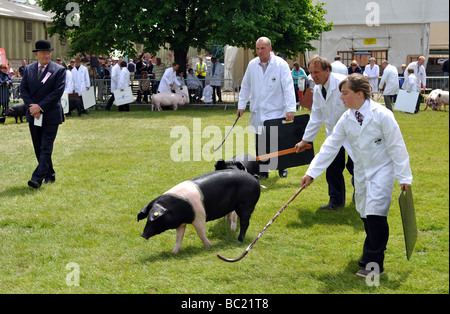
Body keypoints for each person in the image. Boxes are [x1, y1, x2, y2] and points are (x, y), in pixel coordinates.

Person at [300, 74, 412, 277]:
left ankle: (373, 263)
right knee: (365, 214)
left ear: (359, 94)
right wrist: (312, 172)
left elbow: (397, 146)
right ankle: (371, 254)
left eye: (345, 93)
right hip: (361, 171)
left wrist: (404, 177)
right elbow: (330, 145)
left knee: (376, 213)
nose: (340, 97)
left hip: (382, 170)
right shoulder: (347, 117)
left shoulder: (382, 115)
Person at [295, 56, 353, 210]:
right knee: (333, 167)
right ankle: (336, 201)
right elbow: (316, 117)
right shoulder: (318, 90)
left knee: (355, 167)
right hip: (334, 135)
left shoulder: (343, 83)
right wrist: (305, 140)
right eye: (311, 72)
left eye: (317, 72)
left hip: (353, 133)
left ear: (327, 70)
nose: (313, 76)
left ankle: (360, 195)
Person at [237, 36, 296, 178]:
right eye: (257, 48)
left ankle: (282, 167)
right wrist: (241, 105)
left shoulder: (280, 64)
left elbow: (288, 87)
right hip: (259, 111)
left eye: (262, 48)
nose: (259, 51)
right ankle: (263, 170)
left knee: (277, 141)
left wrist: (291, 109)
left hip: (276, 110)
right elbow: (245, 86)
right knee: (261, 142)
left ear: (270, 48)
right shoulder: (252, 65)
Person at [20, 39, 66, 189]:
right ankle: (50, 174)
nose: (47, 55)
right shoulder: (28, 69)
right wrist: (32, 107)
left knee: (46, 146)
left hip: (50, 114)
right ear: (36, 54)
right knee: (38, 147)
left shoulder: (58, 70)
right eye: (44, 53)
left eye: (49, 53)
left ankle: (37, 178)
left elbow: (57, 92)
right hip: (34, 114)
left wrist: (40, 106)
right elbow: (24, 90)